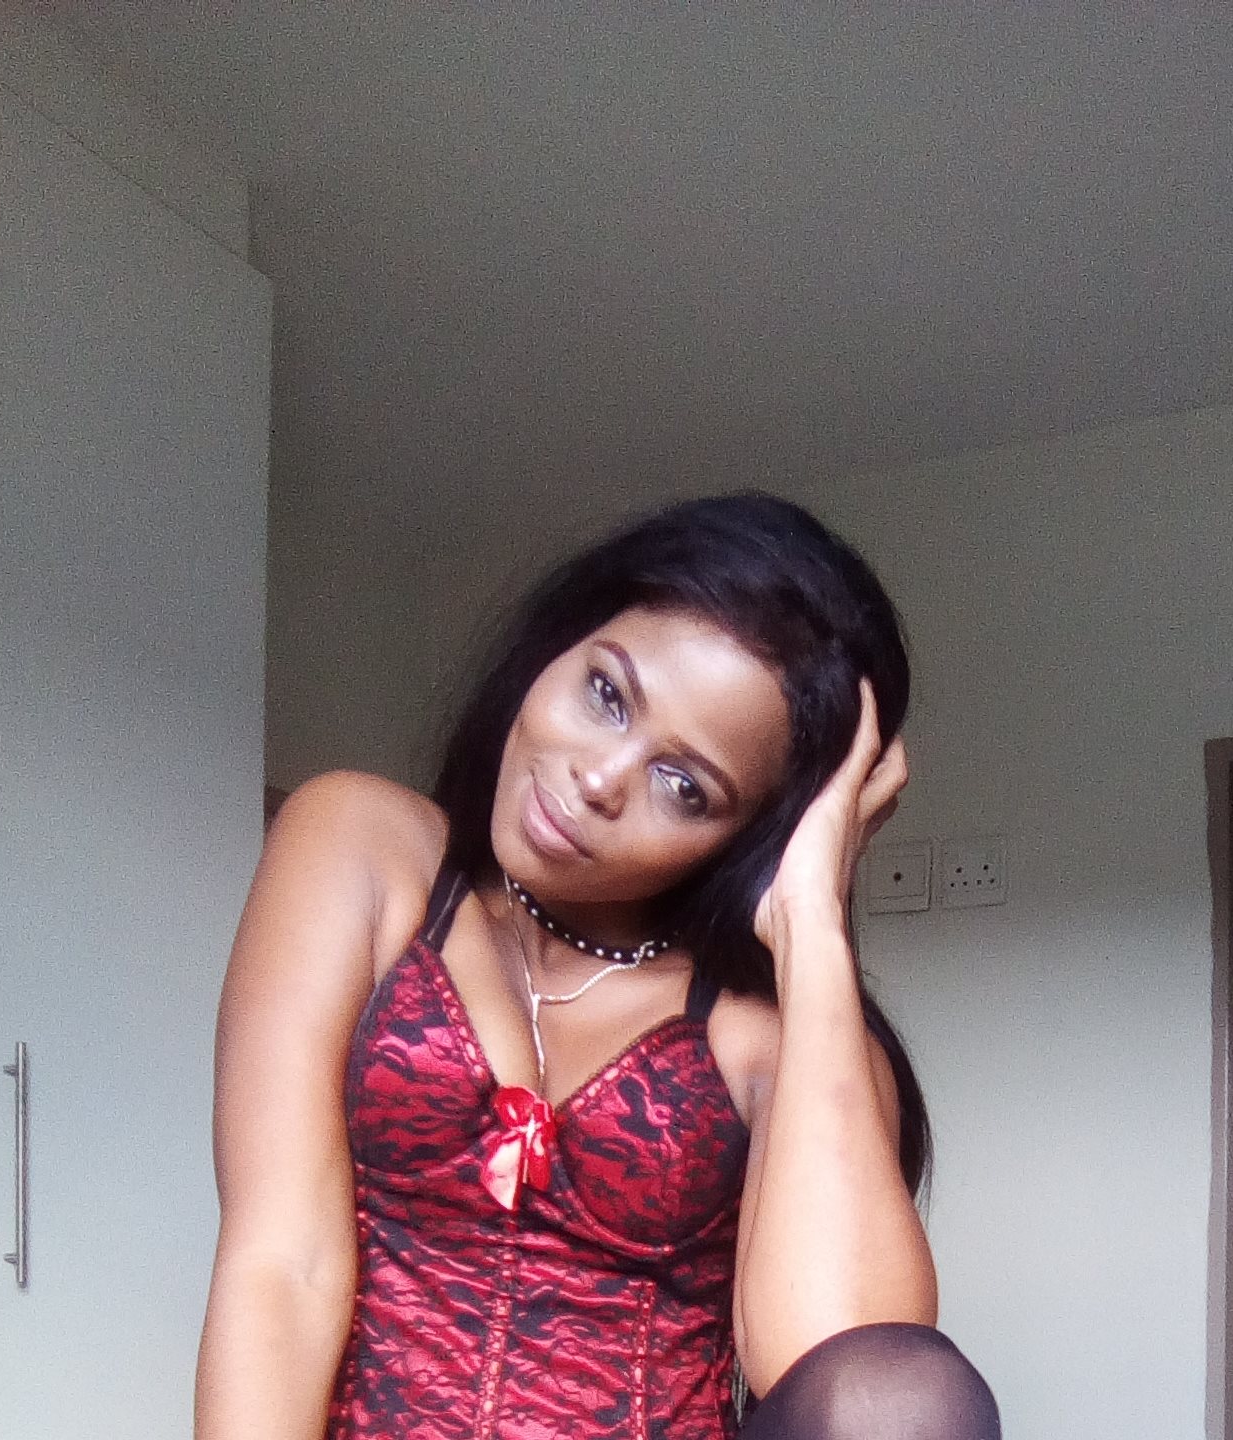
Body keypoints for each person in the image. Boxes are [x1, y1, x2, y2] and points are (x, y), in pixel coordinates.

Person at [194, 493, 1000, 1439]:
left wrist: (813, 918)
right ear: (561, 643)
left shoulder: (769, 1035)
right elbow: (281, 1268)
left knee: (900, 1401)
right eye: (607, 694)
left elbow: (849, 1372)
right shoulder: (363, 847)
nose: (599, 779)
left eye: (684, 786)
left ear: (751, 837)